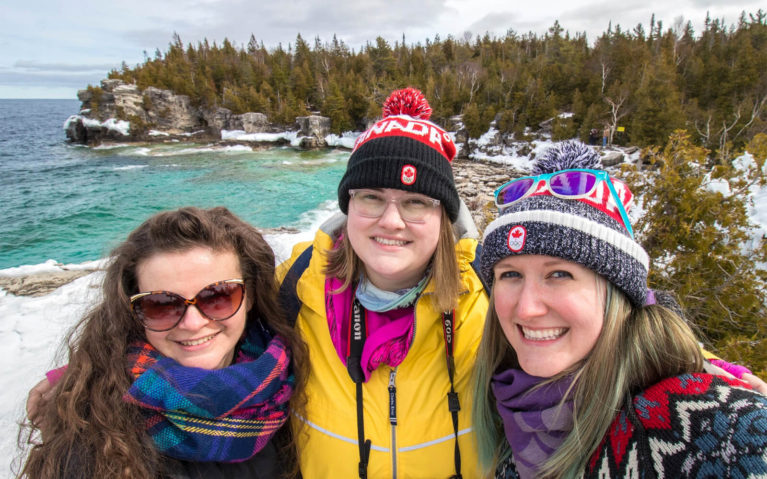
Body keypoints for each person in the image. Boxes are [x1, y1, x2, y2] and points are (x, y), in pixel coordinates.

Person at [472, 140, 767, 478]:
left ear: (618, 293)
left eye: (559, 274)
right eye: (510, 274)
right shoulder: (512, 409)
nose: (526, 309)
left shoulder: (722, 427)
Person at [277, 88, 488, 477]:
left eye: (416, 202)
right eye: (372, 197)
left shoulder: (490, 301)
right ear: (348, 206)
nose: (391, 221)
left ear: (444, 217)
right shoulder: (292, 288)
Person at [18, 207, 306, 479]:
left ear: (250, 296)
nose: (192, 323)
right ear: (133, 312)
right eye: (161, 304)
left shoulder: (293, 377)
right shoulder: (94, 432)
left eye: (218, 296)